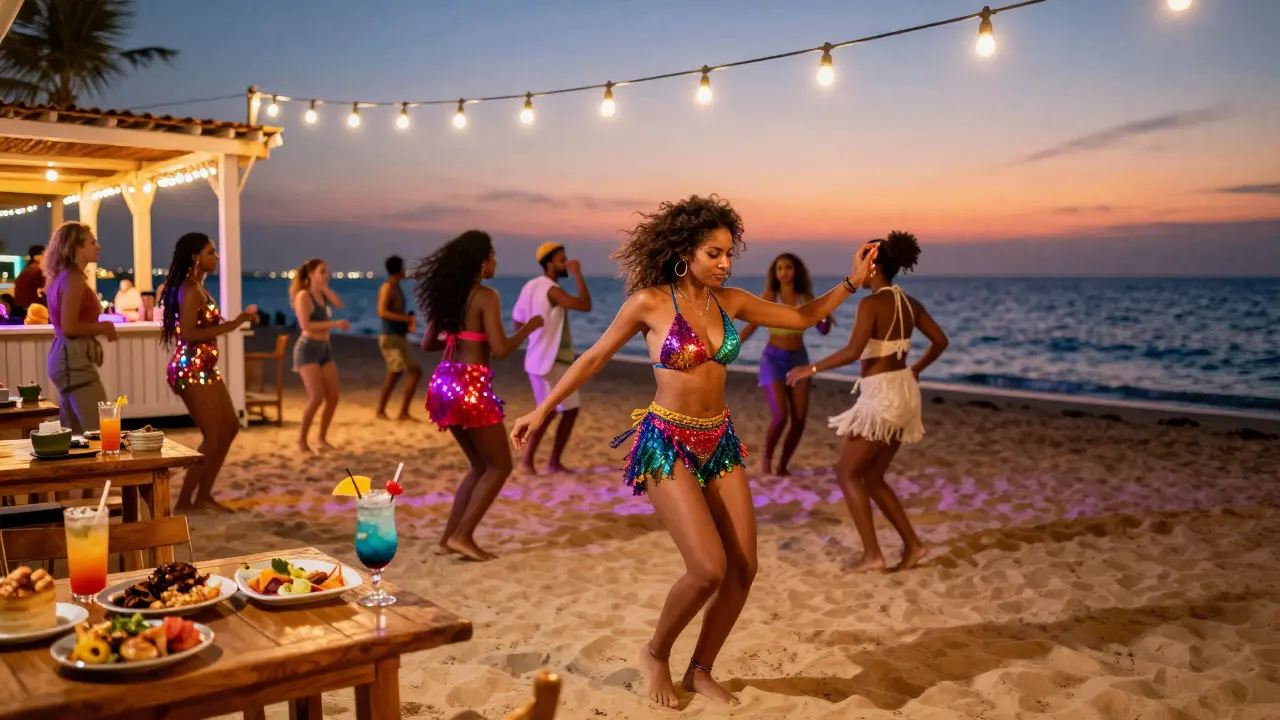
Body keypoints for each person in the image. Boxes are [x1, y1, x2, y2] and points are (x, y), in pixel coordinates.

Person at [510, 195, 877, 707]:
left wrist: (853, 282)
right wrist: (542, 409)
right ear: (686, 251)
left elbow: (800, 317)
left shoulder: (732, 301)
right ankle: (656, 653)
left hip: (719, 440)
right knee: (708, 568)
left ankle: (700, 669)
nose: (725, 263)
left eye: (730, 253)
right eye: (714, 253)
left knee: (744, 567)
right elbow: (593, 358)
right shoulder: (650, 303)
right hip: (666, 442)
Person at [786, 231, 947, 573]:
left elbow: (852, 352)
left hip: (883, 396)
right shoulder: (909, 304)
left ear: (872, 266)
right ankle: (914, 546)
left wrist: (809, 368)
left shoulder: (871, 304)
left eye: (859, 261)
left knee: (846, 473)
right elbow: (940, 341)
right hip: (904, 391)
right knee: (872, 477)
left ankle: (873, 554)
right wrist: (916, 368)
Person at [416, 230, 542, 562]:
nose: (495, 261)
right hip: (470, 386)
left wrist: (457, 332)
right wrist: (528, 330)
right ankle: (463, 536)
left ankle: (447, 539)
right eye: (493, 255)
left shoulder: (449, 296)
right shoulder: (486, 296)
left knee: (478, 465)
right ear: (480, 261)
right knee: (499, 466)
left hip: (443, 384)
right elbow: (500, 349)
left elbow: (427, 344)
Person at [160, 233, 258, 513]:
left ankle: (204, 496)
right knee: (213, 434)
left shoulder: (199, 286)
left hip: (205, 367)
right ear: (196, 257)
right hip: (189, 369)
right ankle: (184, 502)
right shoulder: (189, 290)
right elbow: (189, 334)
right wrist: (234, 323)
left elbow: (207, 326)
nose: (216, 257)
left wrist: (241, 318)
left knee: (229, 427)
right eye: (211, 252)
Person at [739, 253, 833, 476]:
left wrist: (825, 313)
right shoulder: (770, 297)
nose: (784, 272)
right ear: (775, 273)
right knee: (781, 415)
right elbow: (752, 326)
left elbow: (823, 330)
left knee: (799, 419)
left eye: (788, 267)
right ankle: (768, 459)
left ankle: (783, 465)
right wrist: (731, 345)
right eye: (779, 268)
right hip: (773, 360)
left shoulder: (805, 298)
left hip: (798, 360)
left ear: (796, 270)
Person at [511, 242, 592, 474]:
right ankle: (529, 462)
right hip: (551, 361)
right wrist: (577, 274)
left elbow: (517, 319)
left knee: (566, 410)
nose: (566, 263)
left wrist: (533, 341)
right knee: (548, 412)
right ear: (549, 263)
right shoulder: (551, 289)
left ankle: (551, 462)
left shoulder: (530, 286)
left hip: (545, 358)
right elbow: (585, 305)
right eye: (562, 259)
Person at [44, 223, 114, 433]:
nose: (98, 246)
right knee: (100, 431)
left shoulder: (65, 277)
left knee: (75, 434)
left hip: (67, 358)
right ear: (76, 247)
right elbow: (69, 326)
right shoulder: (72, 278)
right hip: (72, 359)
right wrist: (102, 327)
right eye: (92, 242)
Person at [291, 258, 348, 453]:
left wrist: (324, 288)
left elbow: (339, 304)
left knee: (333, 396)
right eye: (322, 271)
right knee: (316, 397)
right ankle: (301, 440)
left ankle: (322, 438)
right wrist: (335, 325)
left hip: (324, 349)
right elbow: (305, 325)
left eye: (327, 271)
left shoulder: (322, 295)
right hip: (307, 349)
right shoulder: (303, 296)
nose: (327, 275)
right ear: (311, 274)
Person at [375, 255, 422, 421]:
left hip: (398, 336)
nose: (404, 270)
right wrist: (405, 319)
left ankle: (401, 412)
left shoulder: (396, 287)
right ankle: (382, 411)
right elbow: (382, 312)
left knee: (411, 371)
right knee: (398, 371)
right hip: (390, 337)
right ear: (398, 269)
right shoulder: (387, 288)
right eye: (403, 267)